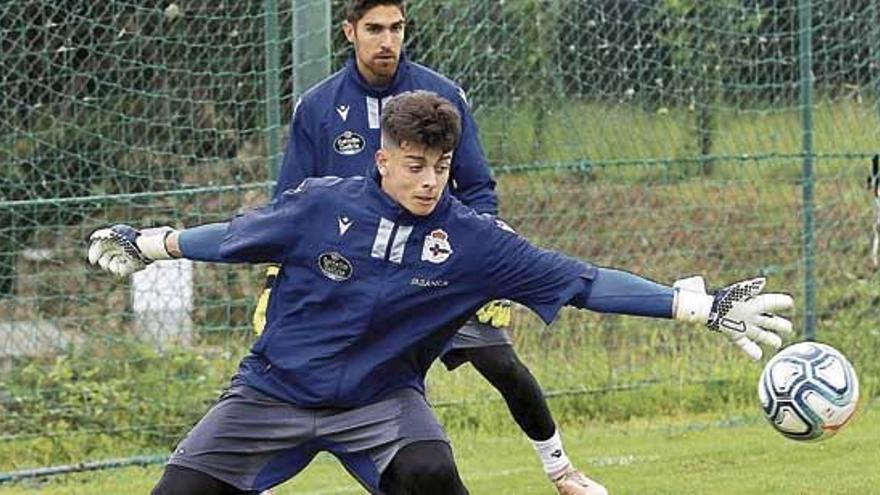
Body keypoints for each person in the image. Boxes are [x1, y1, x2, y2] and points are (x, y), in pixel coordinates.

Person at [88, 91, 794, 495]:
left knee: (432, 472)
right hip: (270, 394)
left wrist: (698, 304)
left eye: (442, 166)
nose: (430, 180)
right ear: (384, 157)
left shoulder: (475, 241)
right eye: (416, 165)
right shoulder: (318, 206)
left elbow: (580, 279)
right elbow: (231, 237)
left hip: (381, 404)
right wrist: (148, 243)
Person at [254, 1, 600, 492]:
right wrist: (275, 279)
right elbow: (286, 206)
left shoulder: (441, 95)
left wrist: (488, 267)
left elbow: (477, 187)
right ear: (349, 31)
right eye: (374, 29)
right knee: (294, 377)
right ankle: (250, 479)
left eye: (396, 28)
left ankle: (561, 469)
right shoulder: (317, 106)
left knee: (501, 363)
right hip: (343, 285)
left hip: (435, 271)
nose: (386, 41)